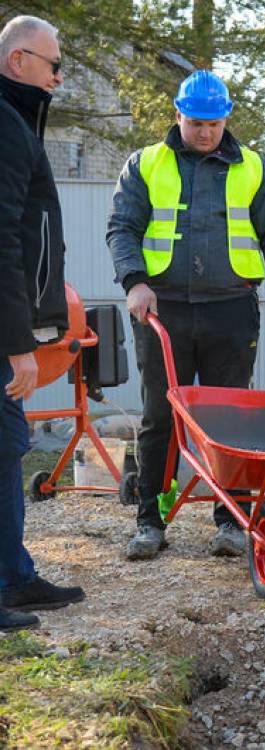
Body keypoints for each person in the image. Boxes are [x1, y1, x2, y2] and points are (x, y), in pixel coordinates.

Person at [107, 70, 265, 561]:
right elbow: (122, 228)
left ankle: (231, 521)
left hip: (231, 310)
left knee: (232, 418)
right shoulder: (146, 164)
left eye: (214, 123)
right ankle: (149, 521)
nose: (206, 132)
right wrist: (134, 282)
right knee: (160, 416)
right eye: (196, 122)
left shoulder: (254, 168)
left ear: (225, 119)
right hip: (162, 311)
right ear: (178, 116)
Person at [0, 15, 85, 630]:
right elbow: (2, 241)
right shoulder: (4, 124)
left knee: (8, 447)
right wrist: (16, 343)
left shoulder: (16, 120)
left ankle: (14, 578)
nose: (59, 76)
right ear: (18, 61)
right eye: (54, 64)